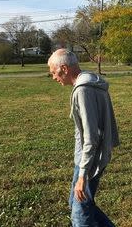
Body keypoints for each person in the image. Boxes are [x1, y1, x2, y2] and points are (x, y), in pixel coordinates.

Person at [48, 49, 120, 227]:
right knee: (77, 203)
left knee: (80, 216)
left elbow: (91, 137)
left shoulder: (83, 90)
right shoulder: (91, 82)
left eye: (53, 72)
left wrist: (83, 175)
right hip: (90, 157)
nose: (53, 77)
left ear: (64, 68)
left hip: (90, 160)